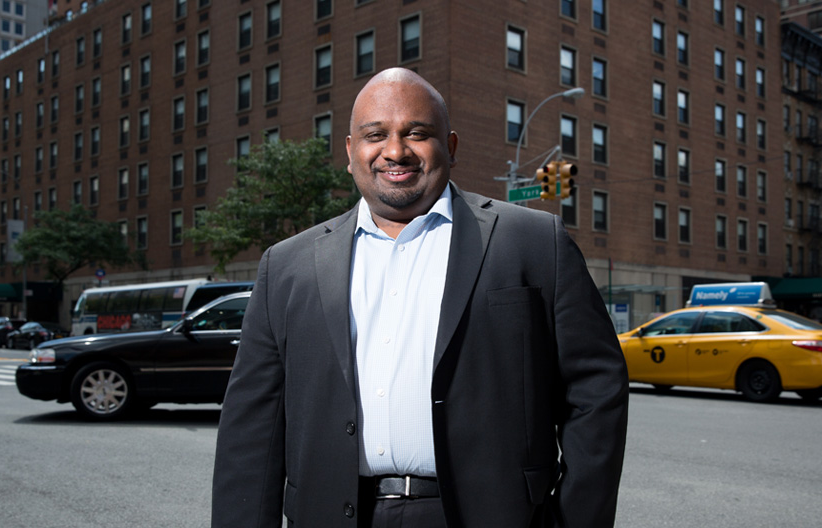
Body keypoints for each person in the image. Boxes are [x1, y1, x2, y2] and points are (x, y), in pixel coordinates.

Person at [212, 68, 628, 528]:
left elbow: (596, 390)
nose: (395, 151)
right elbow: (252, 426)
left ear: (449, 147)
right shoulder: (286, 265)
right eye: (376, 135)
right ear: (351, 152)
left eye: (417, 133)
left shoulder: (533, 242)